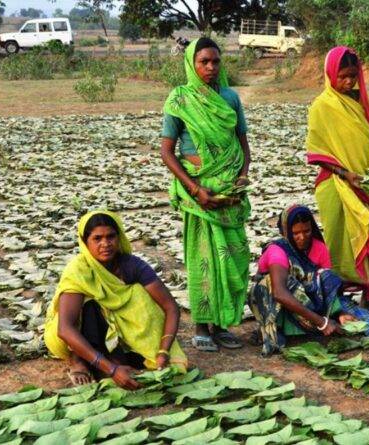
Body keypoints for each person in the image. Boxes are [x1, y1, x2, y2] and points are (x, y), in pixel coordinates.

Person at [159, 37, 251, 352]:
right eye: (203, 62)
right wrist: (195, 189)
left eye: (215, 61)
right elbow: (167, 152)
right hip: (199, 191)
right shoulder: (180, 99)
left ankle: (222, 324)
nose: (210, 67)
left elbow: (243, 144)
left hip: (229, 190)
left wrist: (241, 177)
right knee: (203, 259)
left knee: (234, 257)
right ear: (192, 64)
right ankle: (201, 324)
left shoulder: (230, 97)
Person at [305, 46, 369, 321]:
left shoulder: (361, 101)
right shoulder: (322, 106)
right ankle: (339, 301)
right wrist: (346, 174)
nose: (348, 82)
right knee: (342, 243)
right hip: (337, 185)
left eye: (352, 76)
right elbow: (317, 153)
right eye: (343, 76)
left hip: (367, 182)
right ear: (331, 74)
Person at [43, 210, 187, 387]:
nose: (105, 244)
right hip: (76, 333)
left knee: (138, 294)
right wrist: (111, 369)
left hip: (115, 328)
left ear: (119, 238)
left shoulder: (132, 265)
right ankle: (79, 359)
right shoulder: (78, 271)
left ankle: (119, 356)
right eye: (97, 238)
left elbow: (170, 307)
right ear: (85, 242)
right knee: (89, 302)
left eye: (111, 236)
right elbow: (65, 329)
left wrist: (164, 350)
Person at [248, 205, 369, 357]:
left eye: (306, 231)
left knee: (329, 277)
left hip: (308, 302)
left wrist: (339, 313)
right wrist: (321, 322)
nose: (302, 237)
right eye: (296, 233)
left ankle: (323, 321)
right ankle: (276, 328)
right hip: (276, 304)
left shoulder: (319, 248)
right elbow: (279, 293)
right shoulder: (278, 251)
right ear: (286, 231)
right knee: (281, 283)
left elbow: (328, 287)